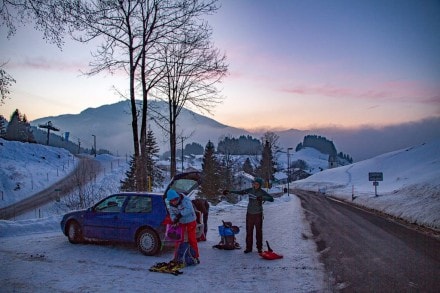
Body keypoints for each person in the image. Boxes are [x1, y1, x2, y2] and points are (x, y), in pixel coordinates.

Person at [224, 177, 274, 254]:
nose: (255, 185)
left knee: (258, 232)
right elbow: (240, 192)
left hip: (258, 214)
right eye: (255, 183)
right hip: (249, 214)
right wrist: (230, 191)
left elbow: (271, 199)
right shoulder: (250, 190)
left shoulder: (262, 192)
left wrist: (262, 197)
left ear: (260, 185)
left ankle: (259, 248)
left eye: (257, 184)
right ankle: (248, 248)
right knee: (249, 232)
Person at [166, 189, 200, 262]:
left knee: (192, 239)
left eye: (175, 199)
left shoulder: (185, 200)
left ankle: (195, 256)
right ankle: (176, 257)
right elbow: (172, 213)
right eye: (172, 201)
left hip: (191, 220)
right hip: (181, 222)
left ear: (177, 197)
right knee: (178, 239)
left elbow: (189, 209)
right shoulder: (171, 204)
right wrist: (174, 219)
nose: (174, 202)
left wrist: (179, 215)